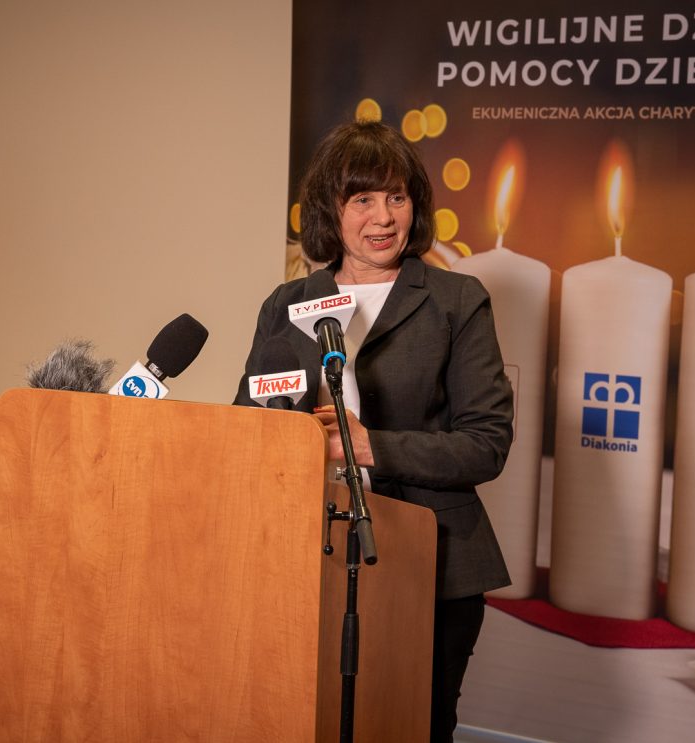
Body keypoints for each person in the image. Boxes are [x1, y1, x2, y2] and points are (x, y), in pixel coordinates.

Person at [234, 119, 513, 742]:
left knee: (412, 729)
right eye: (362, 198)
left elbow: (486, 444)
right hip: (307, 559)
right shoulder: (286, 304)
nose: (383, 217)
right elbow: (250, 422)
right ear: (331, 210)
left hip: (431, 566)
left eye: (397, 197)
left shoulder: (455, 301)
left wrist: (370, 446)